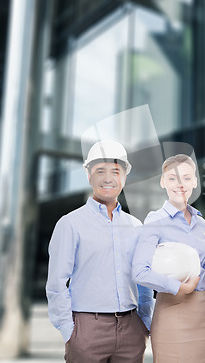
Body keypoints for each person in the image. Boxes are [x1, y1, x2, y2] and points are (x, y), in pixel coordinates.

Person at [46, 140, 154, 363]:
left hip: (132, 330)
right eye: (100, 171)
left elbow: (144, 282)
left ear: (124, 177)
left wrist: (144, 320)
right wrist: (70, 332)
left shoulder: (136, 226)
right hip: (86, 330)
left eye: (115, 171)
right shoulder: (70, 224)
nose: (108, 178)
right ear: (89, 176)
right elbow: (57, 283)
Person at [132, 154, 205, 363]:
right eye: (173, 178)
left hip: (203, 313)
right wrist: (179, 288)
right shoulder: (155, 221)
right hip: (172, 311)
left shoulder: (201, 223)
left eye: (186, 178)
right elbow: (140, 271)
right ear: (162, 181)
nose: (180, 184)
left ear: (195, 181)